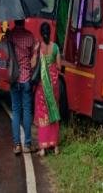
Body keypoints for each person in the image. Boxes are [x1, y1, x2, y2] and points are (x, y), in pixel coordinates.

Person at [32, 22, 61, 157]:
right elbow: (59, 66)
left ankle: (43, 148)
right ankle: (55, 146)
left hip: (42, 86)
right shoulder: (55, 47)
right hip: (54, 86)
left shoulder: (39, 47)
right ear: (50, 32)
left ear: (40, 32)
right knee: (53, 112)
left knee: (43, 114)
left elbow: (33, 64)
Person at [9, 19, 35, 155]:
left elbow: (6, 54)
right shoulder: (30, 36)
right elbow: (32, 58)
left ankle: (17, 145)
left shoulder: (10, 36)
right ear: (24, 21)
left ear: (14, 20)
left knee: (16, 111)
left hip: (14, 78)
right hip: (26, 79)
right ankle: (28, 144)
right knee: (27, 111)